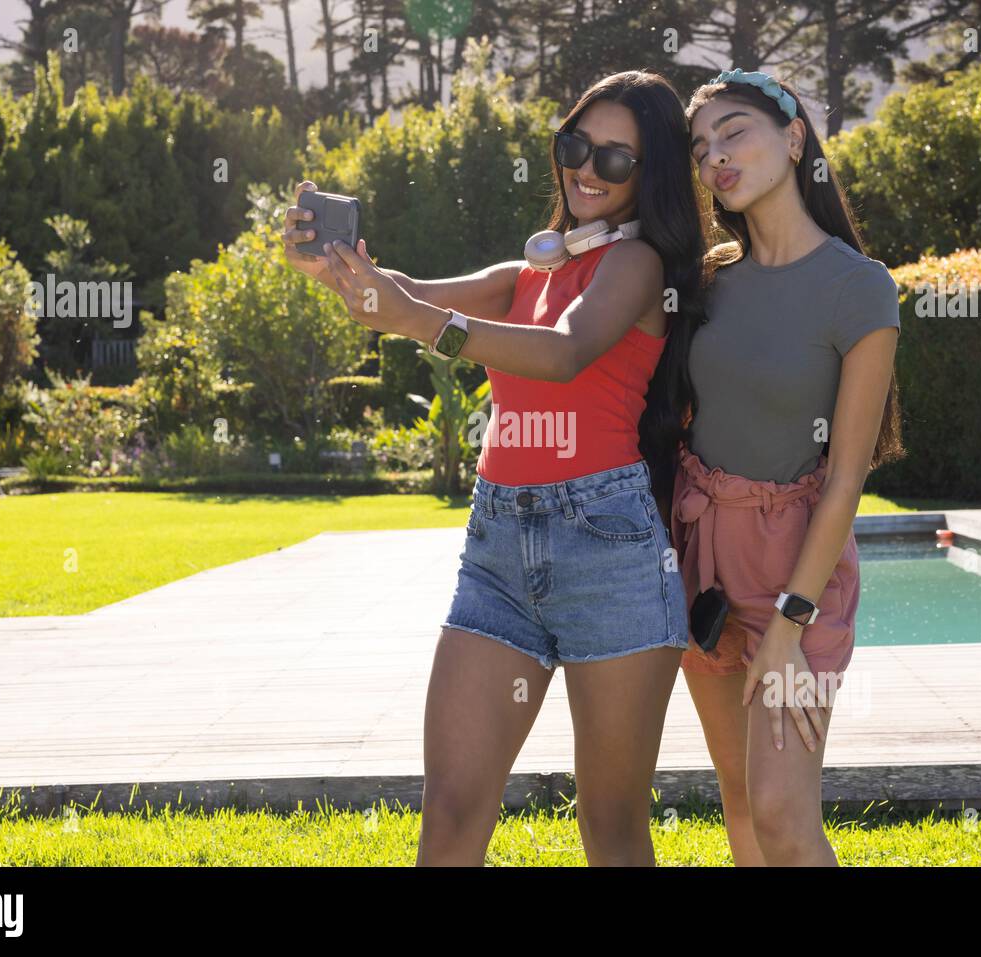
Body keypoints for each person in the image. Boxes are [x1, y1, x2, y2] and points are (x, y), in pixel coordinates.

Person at [282, 71, 706, 866]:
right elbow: (406, 294)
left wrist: (415, 320)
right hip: (498, 550)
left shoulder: (638, 266)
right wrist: (343, 276)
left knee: (610, 827)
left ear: (648, 177)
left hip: (608, 549)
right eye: (577, 145)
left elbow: (564, 351)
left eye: (616, 160)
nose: (588, 169)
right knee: (449, 812)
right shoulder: (531, 272)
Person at [644, 68, 904, 866]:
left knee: (784, 814)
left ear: (794, 139)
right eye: (700, 148)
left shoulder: (859, 289)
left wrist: (791, 623)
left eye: (734, 133)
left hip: (800, 569)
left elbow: (847, 477)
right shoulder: (709, 283)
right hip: (704, 560)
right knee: (739, 798)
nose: (714, 157)